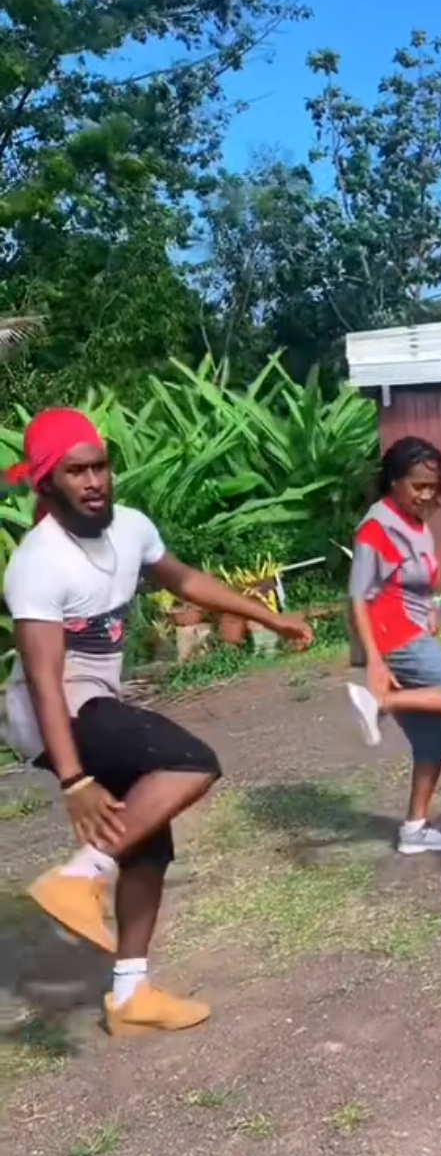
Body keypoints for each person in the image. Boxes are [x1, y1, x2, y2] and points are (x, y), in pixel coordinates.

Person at [2, 408, 313, 1034]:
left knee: (149, 841)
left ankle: (130, 994)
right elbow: (40, 680)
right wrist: (75, 782)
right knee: (189, 761)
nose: (93, 481)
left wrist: (265, 614)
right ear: (47, 485)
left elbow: (184, 578)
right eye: (75, 471)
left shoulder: (131, 529)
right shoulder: (38, 564)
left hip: (94, 701)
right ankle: (80, 875)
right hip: (50, 713)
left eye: (99, 467)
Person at [345, 436, 441, 855]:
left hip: (413, 630)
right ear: (393, 480)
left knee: (435, 740)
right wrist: (374, 662)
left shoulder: (415, 523)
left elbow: (424, 575)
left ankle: (414, 830)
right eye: (417, 485)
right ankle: (380, 702)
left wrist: (434, 606)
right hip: (394, 636)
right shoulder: (376, 528)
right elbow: (357, 597)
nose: (425, 493)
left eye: (431, 485)